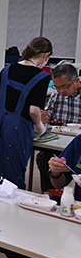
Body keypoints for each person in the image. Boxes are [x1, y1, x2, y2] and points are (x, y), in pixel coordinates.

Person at [4, 145, 81, 258]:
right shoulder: (79, 142)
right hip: (72, 218)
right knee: (15, 247)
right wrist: (55, 171)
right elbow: (58, 184)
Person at [0, 37, 51, 189]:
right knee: (12, 173)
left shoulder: (6, 70)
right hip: (16, 128)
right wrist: (40, 126)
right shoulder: (42, 76)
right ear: (46, 56)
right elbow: (33, 110)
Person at [36, 63, 81, 192]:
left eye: (64, 87)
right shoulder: (56, 96)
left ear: (76, 81)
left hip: (77, 143)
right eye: (56, 87)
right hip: (59, 140)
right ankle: (52, 193)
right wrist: (44, 118)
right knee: (43, 158)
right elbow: (48, 118)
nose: (61, 91)